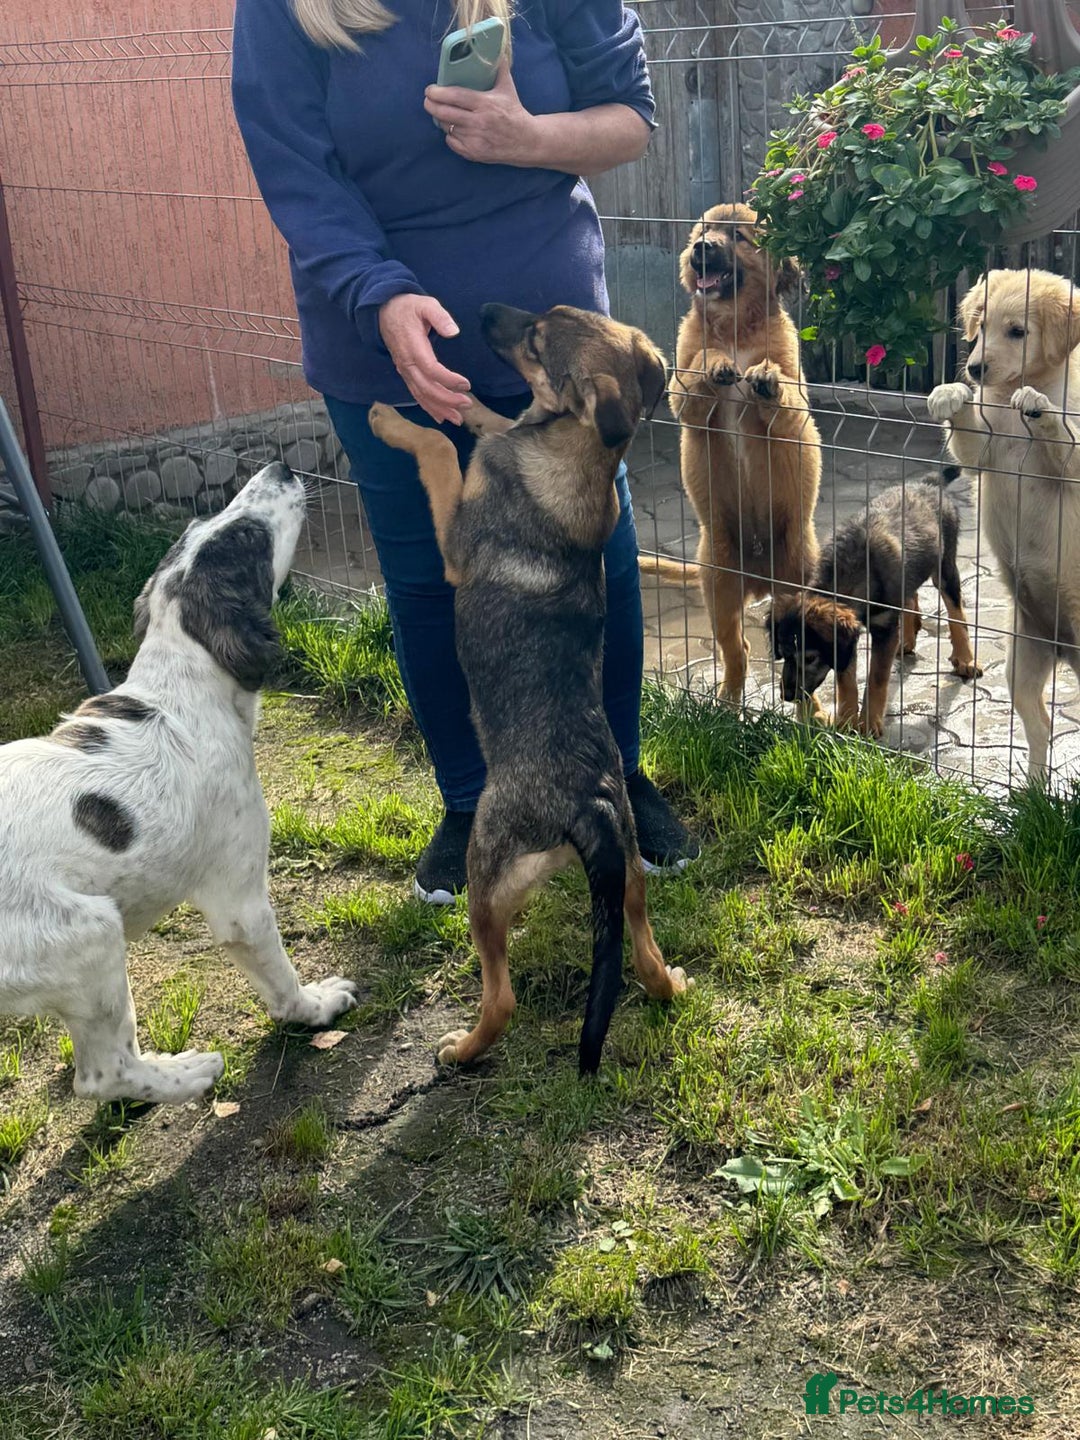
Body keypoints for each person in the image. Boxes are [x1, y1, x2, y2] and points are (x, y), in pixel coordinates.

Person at [232, 0, 698, 902]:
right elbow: (298, 172)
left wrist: (527, 135)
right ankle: (471, 802)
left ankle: (618, 777)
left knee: (595, 561)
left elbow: (629, 120)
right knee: (426, 577)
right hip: (380, 343)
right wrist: (379, 295)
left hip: (557, 356)